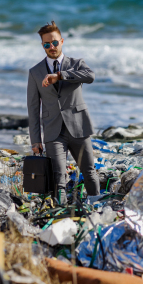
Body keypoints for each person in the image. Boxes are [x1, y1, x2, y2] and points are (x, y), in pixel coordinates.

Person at [27, 21, 100, 203]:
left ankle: (97, 207)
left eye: (54, 42)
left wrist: (59, 76)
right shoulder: (35, 72)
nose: (51, 47)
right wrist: (35, 140)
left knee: (89, 172)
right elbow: (33, 108)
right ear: (42, 46)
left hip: (79, 128)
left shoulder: (76, 64)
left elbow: (90, 76)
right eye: (46, 44)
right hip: (53, 132)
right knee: (58, 179)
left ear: (62, 41)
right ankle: (60, 214)